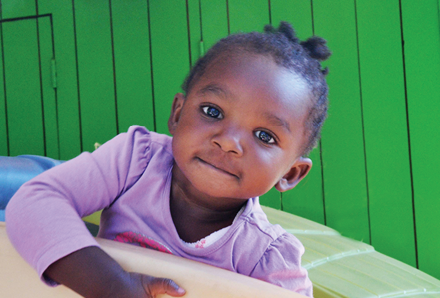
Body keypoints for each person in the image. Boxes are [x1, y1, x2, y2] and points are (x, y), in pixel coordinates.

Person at [6, 21, 330, 298]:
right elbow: (35, 201)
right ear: (177, 114)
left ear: (291, 172)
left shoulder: (267, 258)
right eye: (212, 111)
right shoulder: (136, 161)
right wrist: (114, 287)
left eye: (264, 136)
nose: (228, 141)